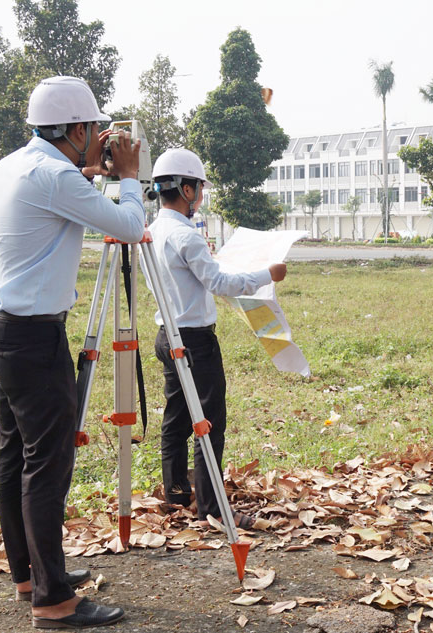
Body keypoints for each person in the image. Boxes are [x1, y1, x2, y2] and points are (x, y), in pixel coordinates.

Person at [0, 76, 143, 628]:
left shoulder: (12, 167)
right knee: (47, 464)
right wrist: (129, 177)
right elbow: (130, 225)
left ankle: (28, 574)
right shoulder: (55, 177)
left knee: (15, 455)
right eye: (95, 130)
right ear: (76, 129)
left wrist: (92, 172)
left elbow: (60, 188)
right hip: (32, 337)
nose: (100, 138)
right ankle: (54, 599)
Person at [147, 148, 286, 530]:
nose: (202, 196)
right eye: (200, 188)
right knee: (209, 423)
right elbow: (220, 284)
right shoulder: (186, 236)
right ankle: (210, 509)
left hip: (167, 334)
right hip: (194, 341)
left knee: (175, 417)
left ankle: (176, 493)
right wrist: (266, 274)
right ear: (187, 189)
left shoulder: (153, 231)